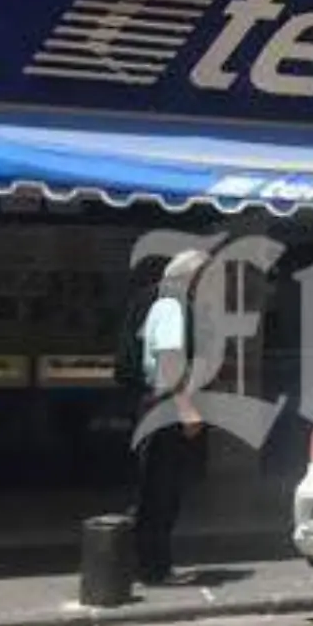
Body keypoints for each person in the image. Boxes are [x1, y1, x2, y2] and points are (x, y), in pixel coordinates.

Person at [134, 249, 208, 586]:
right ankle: (154, 567)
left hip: (157, 403)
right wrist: (186, 408)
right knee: (162, 493)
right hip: (166, 406)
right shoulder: (173, 307)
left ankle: (150, 564)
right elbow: (169, 360)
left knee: (157, 491)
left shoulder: (161, 306)